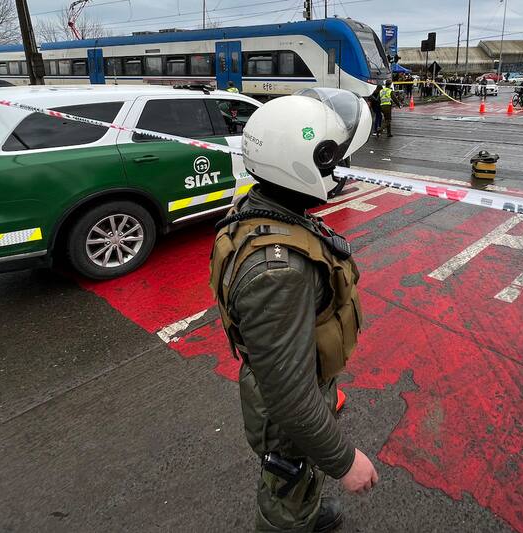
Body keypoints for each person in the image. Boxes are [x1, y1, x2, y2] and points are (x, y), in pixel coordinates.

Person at [210, 88, 378, 532]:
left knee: (296, 479)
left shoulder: (265, 205)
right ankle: (292, 520)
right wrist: (345, 461)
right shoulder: (278, 274)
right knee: (287, 483)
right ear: (305, 164)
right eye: (333, 163)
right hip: (286, 410)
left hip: (295, 377)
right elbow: (288, 396)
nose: (341, 173)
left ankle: (302, 506)